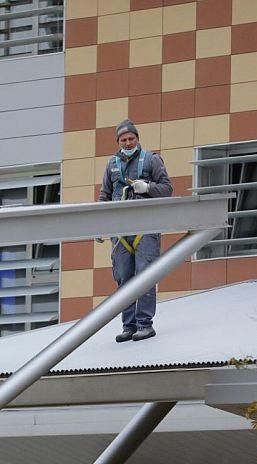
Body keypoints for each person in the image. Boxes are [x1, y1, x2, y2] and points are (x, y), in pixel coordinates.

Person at [98, 118, 173, 342]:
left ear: (137, 139)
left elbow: (167, 189)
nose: (128, 143)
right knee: (123, 277)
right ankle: (128, 325)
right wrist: (98, 225)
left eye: (131, 138)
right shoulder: (112, 165)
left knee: (145, 276)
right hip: (121, 231)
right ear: (118, 142)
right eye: (124, 139)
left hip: (145, 228)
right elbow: (104, 196)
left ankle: (145, 324)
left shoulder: (151, 160)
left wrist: (148, 187)